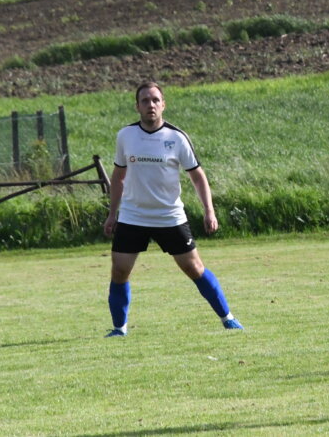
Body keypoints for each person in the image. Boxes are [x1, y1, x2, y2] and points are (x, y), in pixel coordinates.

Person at [102, 81, 242, 336]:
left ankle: (228, 318)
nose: (151, 105)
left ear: (163, 105)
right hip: (133, 216)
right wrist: (113, 214)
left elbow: (197, 176)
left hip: (169, 216)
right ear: (137, 106)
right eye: (145, 101)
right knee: (119, 270)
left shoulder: (176, 137)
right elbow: (119, 176)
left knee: (194, 268)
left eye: (155, 100)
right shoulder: (125, 136)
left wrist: (209, 210)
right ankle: (119, 329)